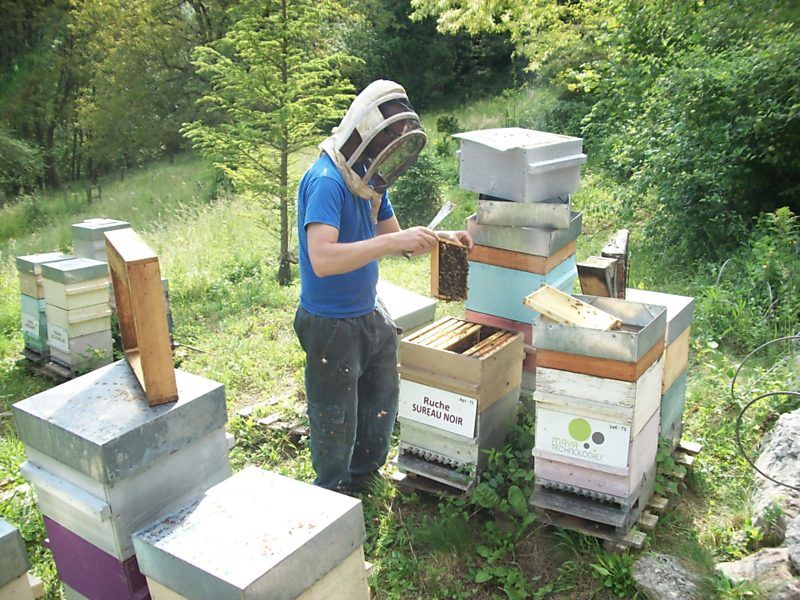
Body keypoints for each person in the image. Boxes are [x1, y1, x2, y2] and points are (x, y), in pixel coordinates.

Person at [294, 80, 473, 493]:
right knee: (335, 414)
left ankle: (364, 476)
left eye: (396, 142)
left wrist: (446, 240)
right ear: (365, 134)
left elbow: (398, 240)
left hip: (367, 309)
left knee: (381, 397)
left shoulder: (368, 180)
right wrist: (393, 241)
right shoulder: (327, 181)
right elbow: (323, 258)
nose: (390, 151)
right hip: (330, 321)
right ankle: (331, 490)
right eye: (386, 140)